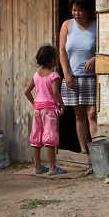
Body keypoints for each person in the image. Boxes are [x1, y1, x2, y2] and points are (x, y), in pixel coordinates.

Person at [59, 0, 97, 154]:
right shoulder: (67, 25)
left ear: (88, 10)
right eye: (74, 10)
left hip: (93, 78)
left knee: (93, 114)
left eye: (79, 10)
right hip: (73, 78)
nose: (76, 14)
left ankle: (96, 150)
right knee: (79, 116)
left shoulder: (97, 25)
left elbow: (108, 47)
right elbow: (62, 51)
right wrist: (66, 73)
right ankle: (84, 151)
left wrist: (96, 58)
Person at [23, 45, 66, 175]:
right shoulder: (54, 75)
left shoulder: (36, 75)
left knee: (36, 135)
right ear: (52, 60)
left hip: (38, 108)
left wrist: (34, 102)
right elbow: (55, 92)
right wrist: (62, 105)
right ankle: (52, 167)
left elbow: (26, 91)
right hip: (49, 109)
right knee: (49, 136)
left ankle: (37, 167)